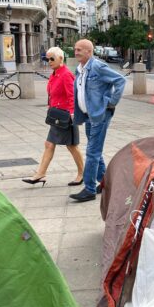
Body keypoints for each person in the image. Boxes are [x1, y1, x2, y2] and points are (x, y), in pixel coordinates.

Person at [69, 39, 126, 202]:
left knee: (92, 152)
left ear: (89, 51)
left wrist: (111, 102)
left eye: (80, 49)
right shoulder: (79, 69)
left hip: (100, 115)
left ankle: (89, 189)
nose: (76, 51)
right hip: (89, 115)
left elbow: (120, 80)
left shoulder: (98, 66)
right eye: (75, 49)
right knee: (96, 151)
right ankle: (106, 183)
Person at [23, 46, 84, 187]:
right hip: (57, 115)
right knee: (50, 144)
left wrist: (72, 114)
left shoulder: (65, 74)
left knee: (72, 146)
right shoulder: (55, 74)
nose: (48, 61)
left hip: (65, 117)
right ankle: (40, 174)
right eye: (47, 59)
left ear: (61, 59)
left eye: (52, 59)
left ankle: (82, 174)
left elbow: (72, 96)